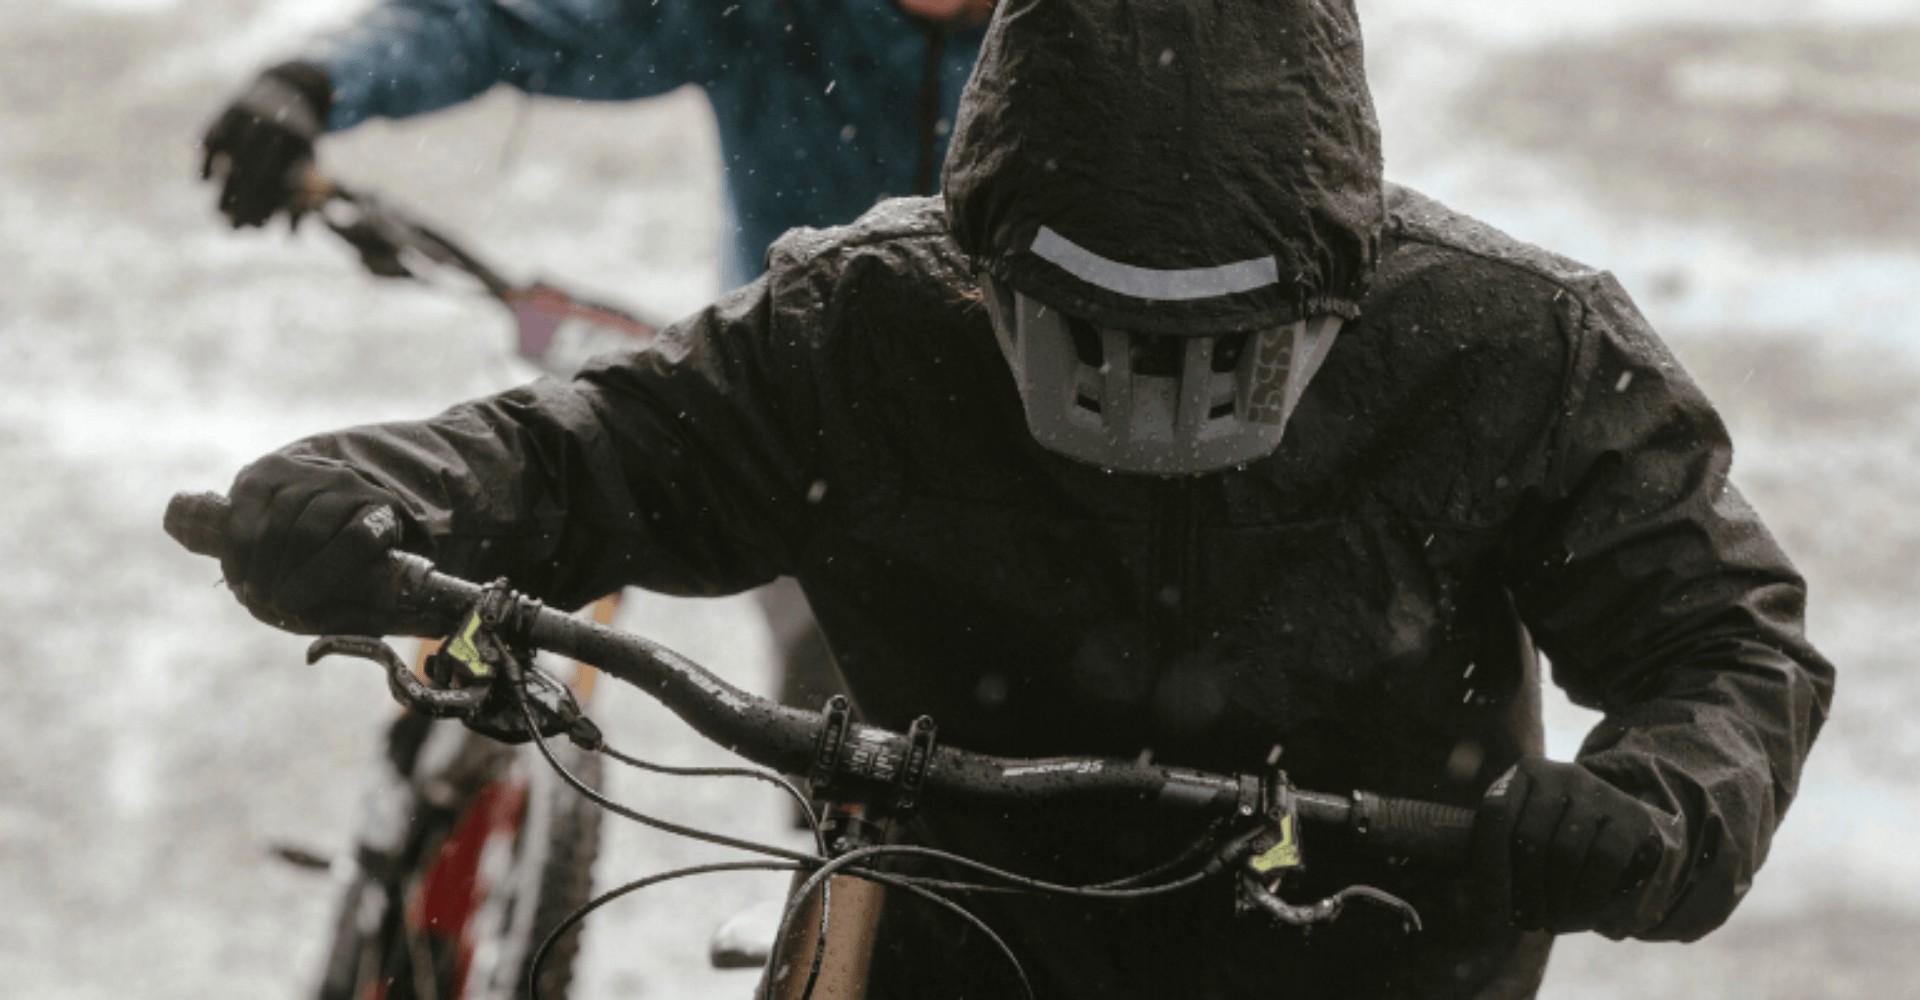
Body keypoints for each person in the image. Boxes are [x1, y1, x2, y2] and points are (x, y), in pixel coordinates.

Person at [203, 1, 1834, 997]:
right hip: (947, 949)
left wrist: (1662, 804)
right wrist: (395, 486)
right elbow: (592, 452)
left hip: (1369, 962)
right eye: (1092, 325)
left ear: (1338, 269)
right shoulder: (859, 323)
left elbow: (1721, 637)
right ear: (981, 258)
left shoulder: (1514, 349)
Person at [199, 0, 994, 709]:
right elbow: (511, 21)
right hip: (798, 421)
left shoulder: (1054, 38)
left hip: (1029, 435)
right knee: (845, 733)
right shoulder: (771, 12)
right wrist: (317, 80)